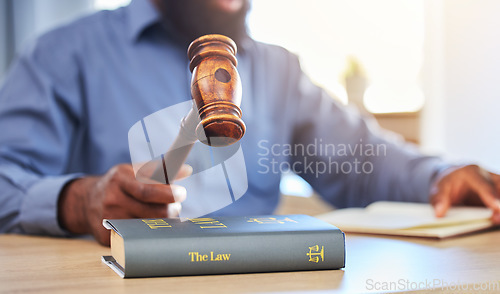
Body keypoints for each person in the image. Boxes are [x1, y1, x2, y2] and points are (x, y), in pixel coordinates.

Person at [0, 0, 499, 246]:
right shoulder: (63, 55)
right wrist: (77, 201)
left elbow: (362, 158)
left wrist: (441, 175)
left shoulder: (278, 70)